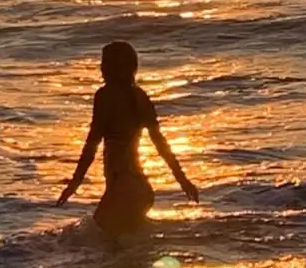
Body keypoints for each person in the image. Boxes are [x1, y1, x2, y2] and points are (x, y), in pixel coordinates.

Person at [57, 41, 199, 235]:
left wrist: (74, 184)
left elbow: (92, 143)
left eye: (105, 64)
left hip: (123, 188)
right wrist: (183, 181)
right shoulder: (141, 96)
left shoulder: (105, 96)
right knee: (126, 256)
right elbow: (160, 143)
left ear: (114, 68)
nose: (101, 69)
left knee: (94, 242)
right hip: (140, 189)